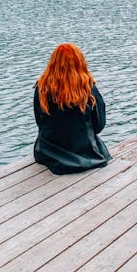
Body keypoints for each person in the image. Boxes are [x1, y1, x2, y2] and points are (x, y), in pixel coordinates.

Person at [33, 43, 111, 175]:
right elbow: (99, 125)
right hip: (87, 152)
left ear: (53, 62)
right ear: (79, 61)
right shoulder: (88, 88)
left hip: (49, 152)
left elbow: (40, 122)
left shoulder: (41, 88)